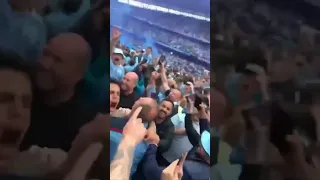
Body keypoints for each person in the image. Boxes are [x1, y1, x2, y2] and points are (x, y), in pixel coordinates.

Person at [21, 33, 105, 152]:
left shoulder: (82, 126)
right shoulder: (19, 90)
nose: (45, 64)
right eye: (45, 54)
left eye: (57, 60)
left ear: (79, 74)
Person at [110, 97, 159, 177]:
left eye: (139, 100)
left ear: (135, 109)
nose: (140, 97)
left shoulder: (110, 124)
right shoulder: (150, 141)